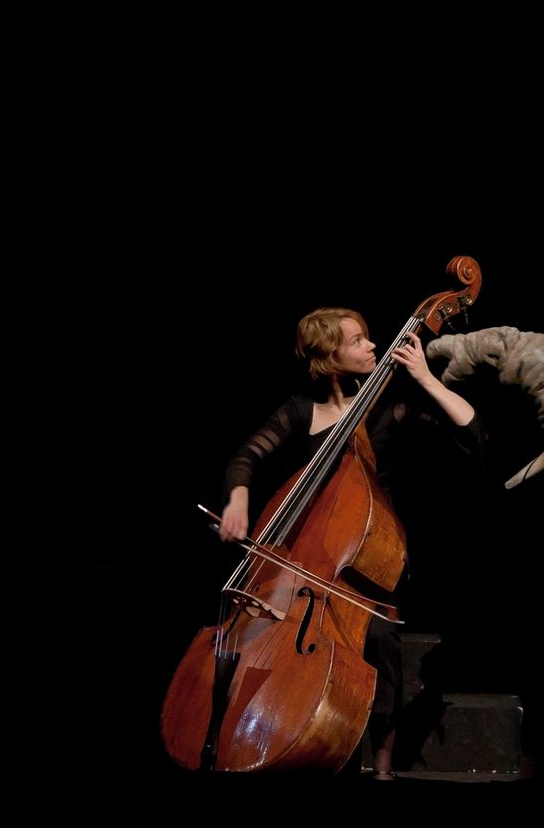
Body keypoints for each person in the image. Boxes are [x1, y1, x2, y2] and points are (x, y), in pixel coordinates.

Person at [218, 306, 484, 780]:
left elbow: (473, 436)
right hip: (301, 559)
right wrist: (238, 500)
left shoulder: (390, 411)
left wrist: (424, 377)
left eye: (369, 339)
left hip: (363, 558)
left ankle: (381, 764)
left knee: (380, 638)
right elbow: (246, 456)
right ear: (328, 356)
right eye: (358, 340)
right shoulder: (301, 412)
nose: (372, 347)